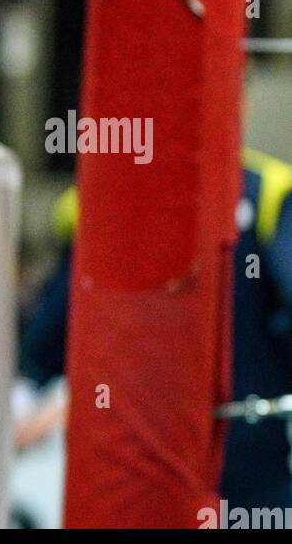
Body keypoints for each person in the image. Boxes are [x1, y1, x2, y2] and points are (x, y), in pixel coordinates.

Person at [17, 149, 292, 517]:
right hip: (227, 456)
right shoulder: (266, 190)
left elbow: (48, 338)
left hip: (163, 457)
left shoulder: (100, 193)